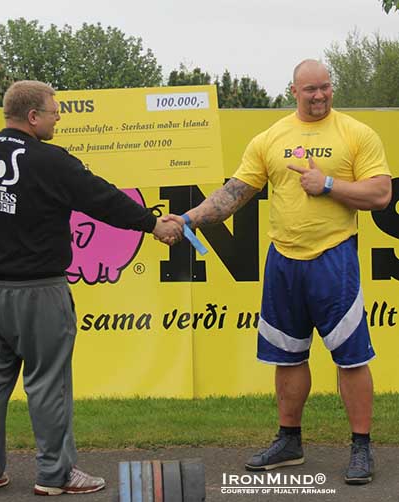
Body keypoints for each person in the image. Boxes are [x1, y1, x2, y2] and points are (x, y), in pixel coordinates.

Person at [0, 80, 182, 497]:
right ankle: (54, 475)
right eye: (54, 111)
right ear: (33, 116)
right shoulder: (50, 160)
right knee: (48, 381)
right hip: (37, 289)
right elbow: (104, 199)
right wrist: (153, 224)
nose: (59, 117)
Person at [165, 59, 392, 484]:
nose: (319, 95)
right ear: (293, 91)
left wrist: (328, 185)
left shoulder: (356, 134)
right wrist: (188, 219)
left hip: (334, 258)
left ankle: (361, 447)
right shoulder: (271, 138)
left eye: (325, 87)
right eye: (310, 89)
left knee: (352, 357)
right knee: (286, 356)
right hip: (284, 261)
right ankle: (289, 441)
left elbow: (380, 193)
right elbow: (234, 193)